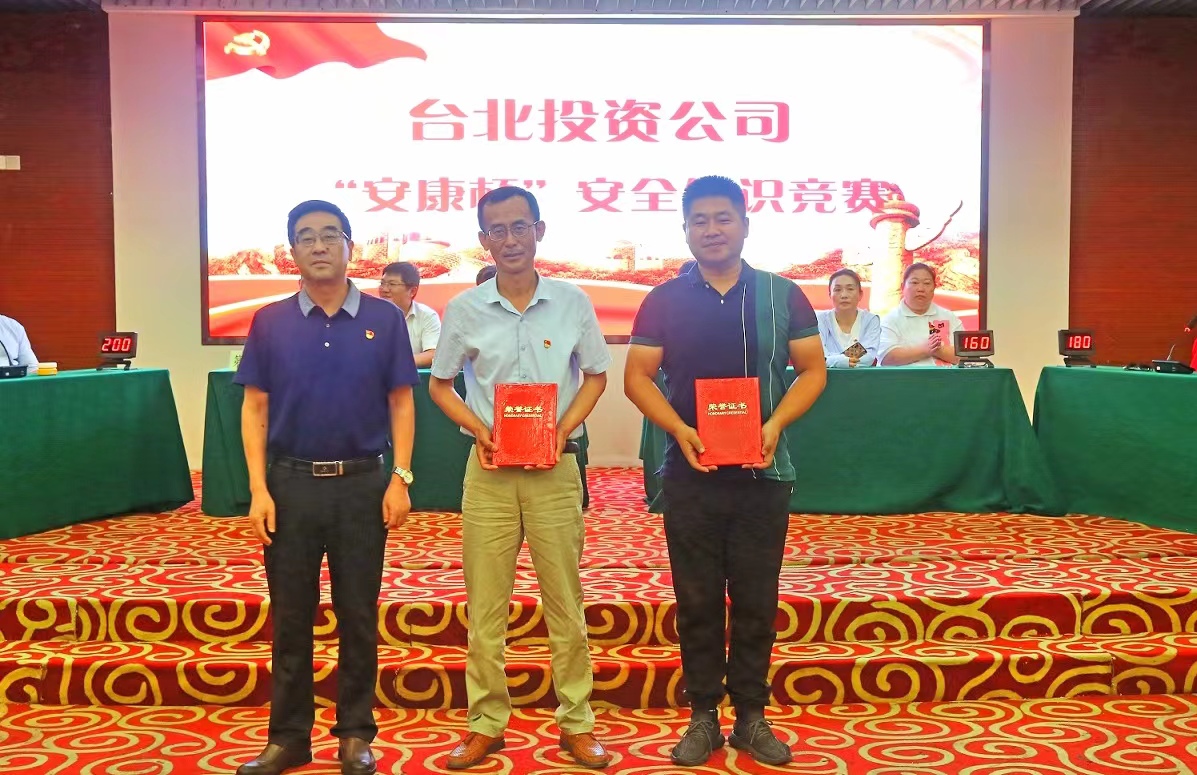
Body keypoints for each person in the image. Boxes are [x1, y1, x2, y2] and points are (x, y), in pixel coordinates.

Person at [623, 175, 827, 767]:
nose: (711, 230)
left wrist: (775, 423)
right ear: (685, 229)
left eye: (723, 218)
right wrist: (678, 429)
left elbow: (812, 370)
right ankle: (704, 717)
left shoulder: (781, 294)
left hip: (764, 473)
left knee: (758, 599)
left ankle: (752, 717)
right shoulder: (663, 299)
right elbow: (637, 377)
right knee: (697, 599)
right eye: (699, 220)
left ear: (745, 224)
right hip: (690, 473)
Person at [429, 186, 612, 770]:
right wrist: (478, 428)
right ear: (483, 240)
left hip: (555, 469)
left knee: (566, 604)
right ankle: (485, 724)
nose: (510, 240)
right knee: (485, 608)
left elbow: (596, 376)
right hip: (488, 473)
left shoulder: (572, 302)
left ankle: (577, 724)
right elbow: (440, 385)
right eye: (498, 230)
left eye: (520, 227)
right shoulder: (464, 309)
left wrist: (564, 429)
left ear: (539, 230)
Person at [234, 200, 419, 775]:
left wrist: (401, 477)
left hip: (362, 485)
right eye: (306, 237)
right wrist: (258, 489)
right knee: (291, 618)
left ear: (349, 246)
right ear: (293, 250)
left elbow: (401, 402)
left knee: (358, 614)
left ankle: (355, 734)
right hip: (290, 486)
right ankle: (288, 738)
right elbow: (255, 407)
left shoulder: (385, 318)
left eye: (330, 235)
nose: (319, 245)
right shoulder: (271, 321)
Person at [878, 263, 964, 367]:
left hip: (945, 376)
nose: (921, 289)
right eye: (914, 282)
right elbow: (887, 358)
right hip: (905, 377)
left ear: (934, 288)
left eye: (927, 283)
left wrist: (938, 350)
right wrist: (925, 350)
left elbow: (965, 356)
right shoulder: (890, 320)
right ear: (902, 287)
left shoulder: (949, 317)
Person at [379, 261, 441, 368]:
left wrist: (396, 363)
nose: (384, 289)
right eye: (382, 283)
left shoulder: (427, 316)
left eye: (392, 284)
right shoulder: (369, 314)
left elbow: (433, 354)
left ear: (412, 291)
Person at [816, 269, 880, 368]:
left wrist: (832, 360)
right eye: (837, 290)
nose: (844, 295)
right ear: (830, 295)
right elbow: (818, 356)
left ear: (860, 294)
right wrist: (842, 361)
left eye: (850, 289)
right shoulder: (820, 320)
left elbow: (869, 355)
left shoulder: (870, 320)